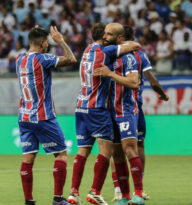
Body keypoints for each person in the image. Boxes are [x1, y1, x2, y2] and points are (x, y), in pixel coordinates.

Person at [68, 23, 141, 205]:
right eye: (107, 34)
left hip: (81, 106)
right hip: (98, 108)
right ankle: (95, 192)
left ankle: (73, 193)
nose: (108, 37)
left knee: (83, 151)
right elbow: (136, 46)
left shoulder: (87, 50)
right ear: (104, 37)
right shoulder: (106, 51)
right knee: (107, 152)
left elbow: (133, 81)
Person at [16, 26, 77, 205]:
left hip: (24, 117)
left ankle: (29, 201)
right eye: (47, 43)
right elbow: (71, 59)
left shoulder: (19, 59)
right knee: (61, 155)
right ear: (43, 42)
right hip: (43, 116)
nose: (48, 45)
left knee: (28, 159)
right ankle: (58, 199)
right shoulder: (43, 59)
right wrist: (61, 41)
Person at [109, 26, 169, 203]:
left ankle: (119, 190)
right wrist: (162, 94)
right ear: (132, 37)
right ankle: (138, 189)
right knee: (137, 146)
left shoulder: (111, 53)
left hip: (116, 107)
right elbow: (152, 79)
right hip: (133, 106)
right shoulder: (139, 55)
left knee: (117, 149)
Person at [92, 23, 144, 205]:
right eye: (105, 33)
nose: (104, 37)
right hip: (108, 113)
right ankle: (125, 196)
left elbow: (134, 83)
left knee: (130, 149)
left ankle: (139, 194)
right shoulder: (106, 55)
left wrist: (110, 74)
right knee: (117, 155)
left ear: (119, 38)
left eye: (109, 34)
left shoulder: (128, 58)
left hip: (125, 111)